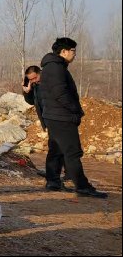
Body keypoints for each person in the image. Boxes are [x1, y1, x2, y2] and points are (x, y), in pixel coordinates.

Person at [40, 37, 107, 198]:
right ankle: (82, 187)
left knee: (57, 150)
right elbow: (61, 94)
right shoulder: (56, 68)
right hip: (61, 117)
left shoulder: (54, 66)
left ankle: (53, 181)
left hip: (54, 116)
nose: (74, 54)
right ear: (63, 51)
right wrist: (76, 110)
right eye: (73, 51)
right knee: (72, 152)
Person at [22, 65, 68, 190]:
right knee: (59, 148)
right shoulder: (36, 85)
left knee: (57, 149)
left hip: (59, 119)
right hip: (49, 120)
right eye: (30, 80)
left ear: (40, 72)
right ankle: (61, 176)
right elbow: (32, 101)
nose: (33, 81)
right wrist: (27, 92)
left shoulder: (50, 82)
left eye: (35, 78)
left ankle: (54, 178)